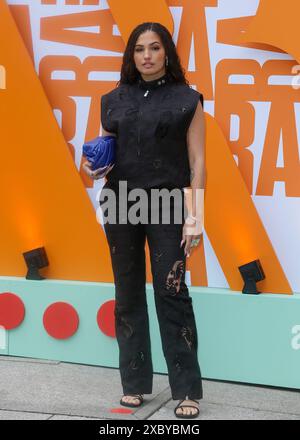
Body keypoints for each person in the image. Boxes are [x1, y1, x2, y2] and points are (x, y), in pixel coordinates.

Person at [83, 22, 206, 419]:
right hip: (121, 203)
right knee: (127, 293)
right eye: (139, 49)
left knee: (172, 294)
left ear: (166, 53)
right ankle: (134, 383)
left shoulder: (187, 99)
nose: (147, 56)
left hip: (168, 203)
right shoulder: (113, 99)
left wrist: (195, 218)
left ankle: (186, 390)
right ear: (131, 56)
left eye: (155, 48)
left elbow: (197, 161)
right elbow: (105, 153)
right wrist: (93, 165)